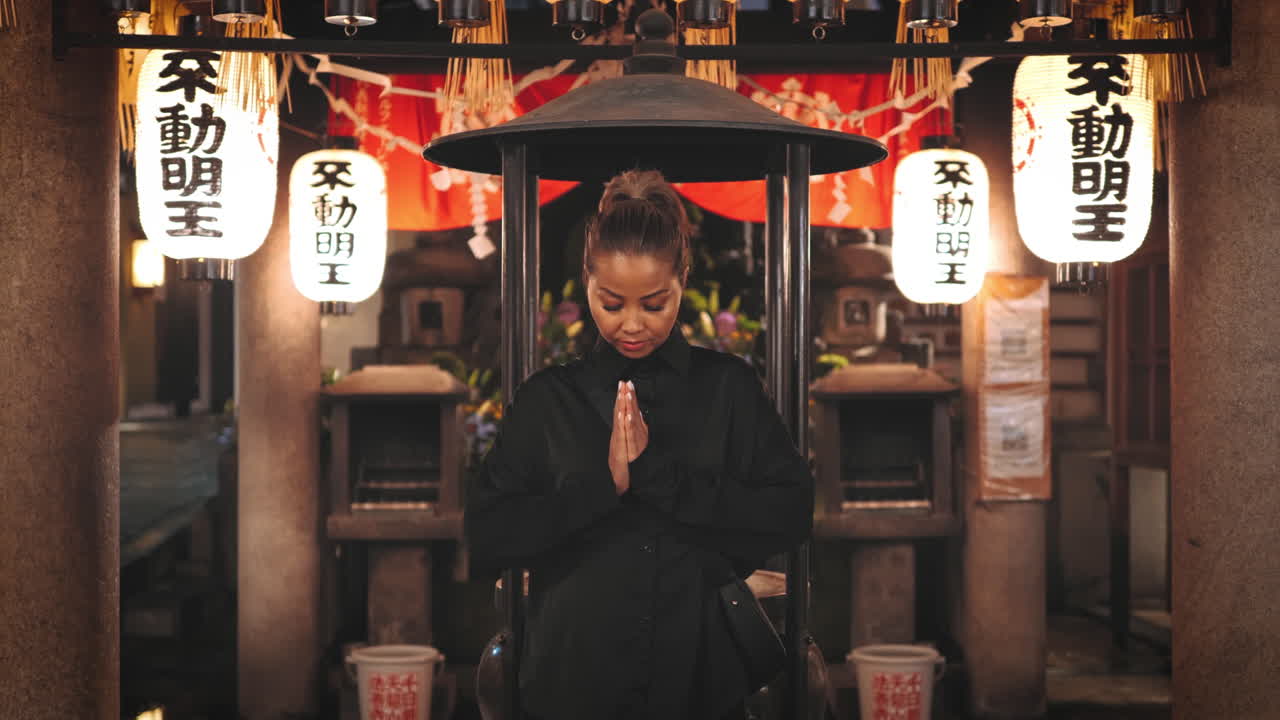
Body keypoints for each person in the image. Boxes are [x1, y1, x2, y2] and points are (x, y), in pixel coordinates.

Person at [464, 169, 814, 720]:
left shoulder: (727, 389)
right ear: (587, 281)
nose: (632, 325)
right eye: (611, 303)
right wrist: (604, 487)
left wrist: (660, 479)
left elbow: (791, 513)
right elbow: (488, 534)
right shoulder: (548, 399)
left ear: (682, 280)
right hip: (572, 676)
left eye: (653, 304)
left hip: (699, 675)